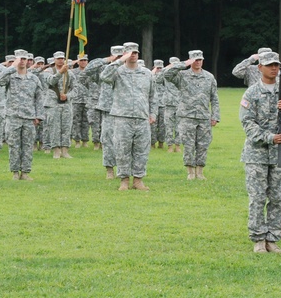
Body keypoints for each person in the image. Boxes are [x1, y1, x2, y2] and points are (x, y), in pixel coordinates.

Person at [240, 51, 281, 253]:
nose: (274, 68)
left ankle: (272, 237)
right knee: (257, 197)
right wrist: (269, 137)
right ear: (260, 67)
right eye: (269, 65)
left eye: (276, 65)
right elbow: (247, 123)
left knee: (278, 197)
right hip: (257, 154)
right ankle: (258, 238)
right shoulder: (252, 93)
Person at [100, 42, 157, 191]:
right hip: (122, 117)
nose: (133, 55)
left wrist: (153, 114)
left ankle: (138, 180)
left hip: (142, 117)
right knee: (122, 150)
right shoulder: (117, 72)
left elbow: (153, 96)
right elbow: (104, 76)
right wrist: (119, 60)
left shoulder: (147, 73)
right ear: (125, 54)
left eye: (136, 53)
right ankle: (124, 180)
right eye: (130, 53)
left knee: (142, 150)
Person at [162, 49, 220, 180]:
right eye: (195, 60)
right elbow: (166, 74)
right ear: (190, 61)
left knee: (203, 145)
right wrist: (184, 64)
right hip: (186, 116)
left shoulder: (209, 77)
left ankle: (200, 171)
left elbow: (214, 98)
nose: (198, 62)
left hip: (204, 116)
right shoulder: (182, 75)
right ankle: (190, 172)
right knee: (188, 145)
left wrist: (215, 115)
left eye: (200, 60)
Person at [0, 50, 45, 180]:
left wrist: (38, 116)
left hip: (29, 118)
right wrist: (12, 67)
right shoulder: (10, 77)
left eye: (25, 59)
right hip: (13, 117)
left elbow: (39, 98)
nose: (23, 61)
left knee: (28, 146)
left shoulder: (34, 78)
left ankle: (25, 172)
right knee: (14, 145)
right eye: (20, 59)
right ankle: (15, 172)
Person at [85, 45, 124, 178]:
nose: (118, 58)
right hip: (108, 109)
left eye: (121, 55)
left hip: (125, 110)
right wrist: (107, 60)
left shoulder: (127, 69)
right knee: (107, 140)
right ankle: (109, 169)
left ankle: (124, 170)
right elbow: (88, 69)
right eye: (116, 55)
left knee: (124, 141)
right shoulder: (103, 69)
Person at [45, 51, 78, 158]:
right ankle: (56, 150)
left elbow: (76, 89)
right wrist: (60, 73)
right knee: (54, 127)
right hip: (53, 103)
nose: (60, 60)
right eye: (58, 58)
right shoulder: (49, 71)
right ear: (54, 59)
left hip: (66, 104)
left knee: (66, 127)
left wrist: (68, 96)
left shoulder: (70, 74)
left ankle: (65, 150)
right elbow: (50, 81)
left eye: (62, 58)